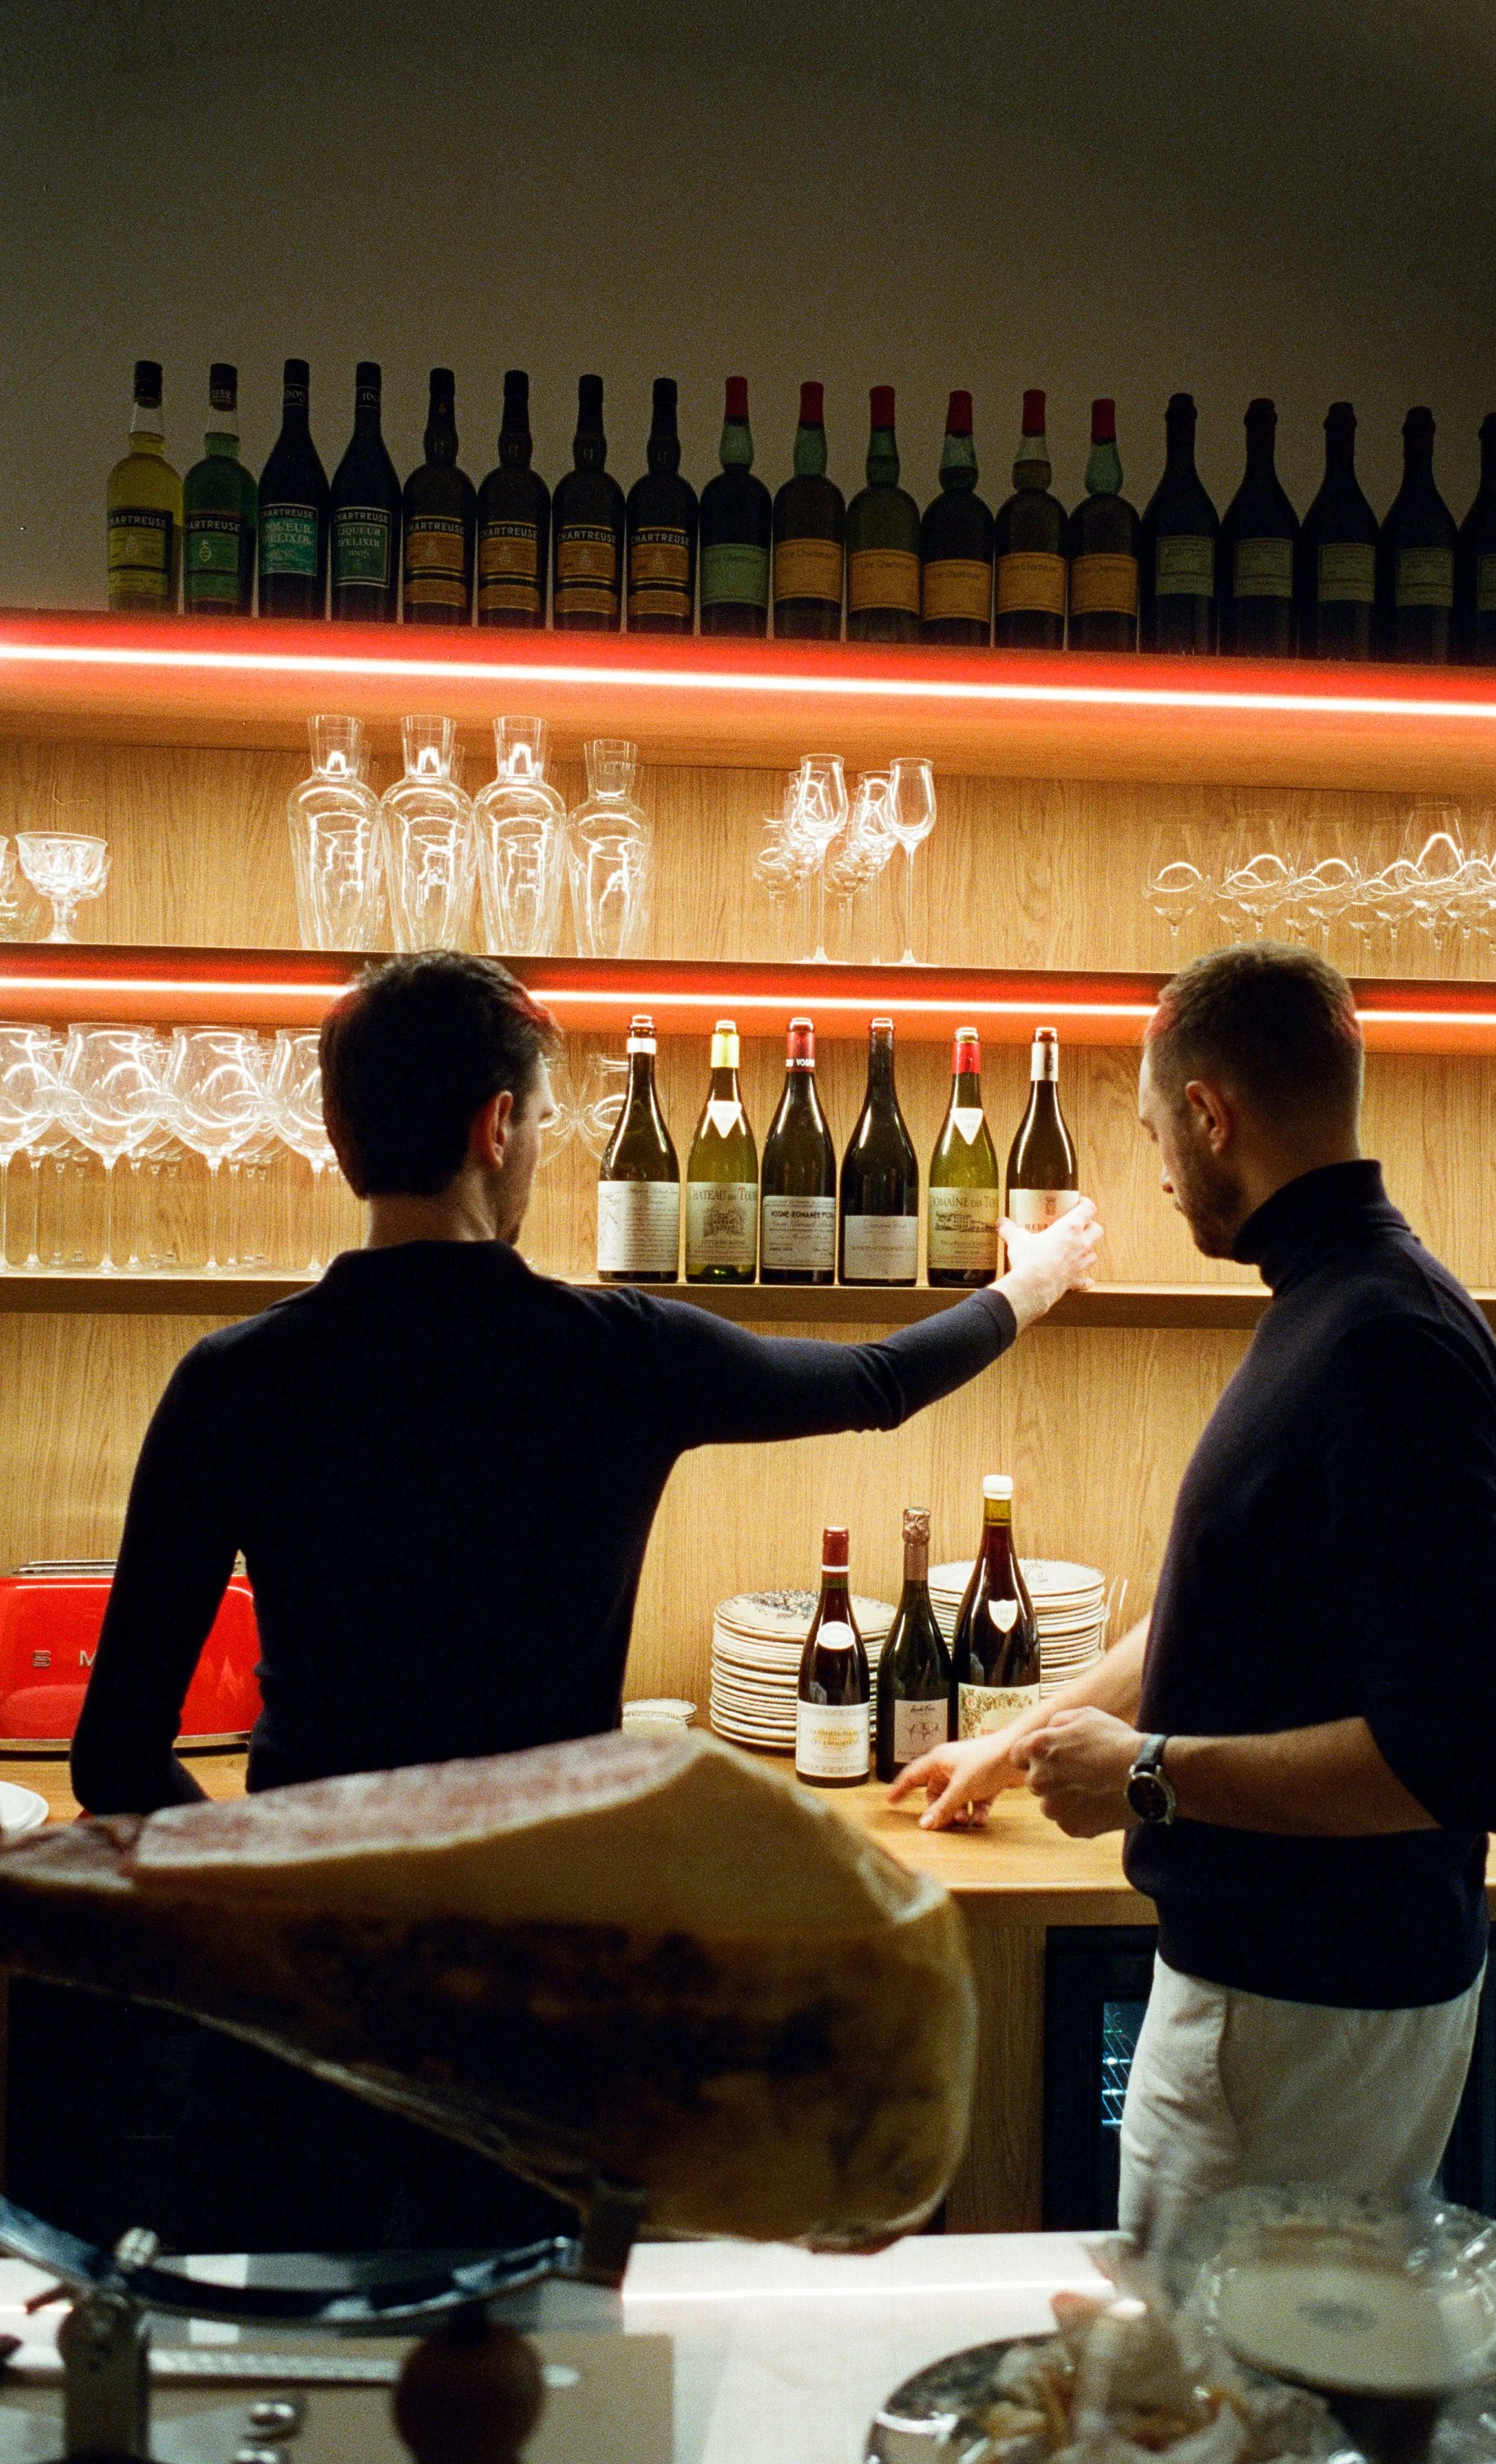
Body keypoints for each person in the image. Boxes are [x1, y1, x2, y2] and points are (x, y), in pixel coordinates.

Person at [66, 951, 1101, 2248]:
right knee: (541, 2390)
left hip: (301, 2006)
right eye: (544, 1120)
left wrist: (286, 1897)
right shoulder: (622, 1356)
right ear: (497, 1126)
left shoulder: (231, 1381)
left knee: (285, 2397)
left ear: (341, 1135)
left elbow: (115, 1759)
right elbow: (879, 1380)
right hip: (543, 2002)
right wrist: (1033, 1283)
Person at [892, 942, 1496, 2256]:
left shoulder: (1384, 1344)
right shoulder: (1337, 1306)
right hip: (1297, 2009)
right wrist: (1021, 1742)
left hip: (1301, 2016)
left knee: (1228, 2416)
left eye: (1155, 1133)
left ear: (1209, 1113)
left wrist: (1151, 1776)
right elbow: (1223, 1608)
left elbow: (1465, 1763)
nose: (1165, 1172)